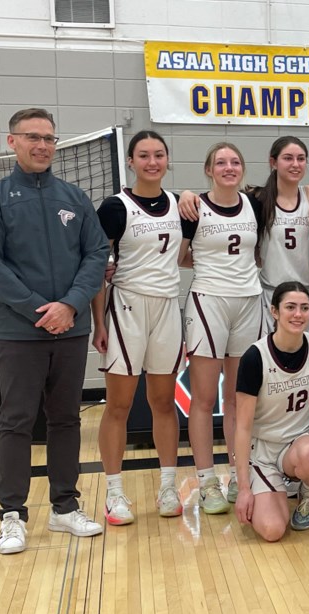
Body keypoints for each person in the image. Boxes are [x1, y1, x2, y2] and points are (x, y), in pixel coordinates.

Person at [0, 108, 109, 553]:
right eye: (33, 137)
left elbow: (95, 254)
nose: (42, 145)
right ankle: (13, 516)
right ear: (12, 141)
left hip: (70, 331)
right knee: (16, 422)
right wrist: (39, 310)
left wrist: (72, 305)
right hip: (19, 332)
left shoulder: (74, 198)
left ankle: (64, 507)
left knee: (65, 419)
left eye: (49, 138)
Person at [91, 131, 186, 525]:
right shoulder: (115, 206)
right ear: (130, 162)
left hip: (167, 308)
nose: (152, 161)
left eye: (159, 155)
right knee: (119, 405)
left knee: (164, 403)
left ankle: (168, 485)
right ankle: (114, 493)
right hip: (127, 306)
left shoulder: (183, 204)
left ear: (167, 160)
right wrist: (99, 322)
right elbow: (97, 266)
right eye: (144, 155)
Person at [180, 142, 264, 514]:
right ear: (208, 169)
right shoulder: (193, 207)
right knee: (203, 399)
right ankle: (206, 480)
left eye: (235, 161)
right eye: (221, 162)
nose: (229, 167)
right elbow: (181, 256)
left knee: (237, 398)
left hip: (249, 302)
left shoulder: (255, 205)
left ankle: (236, 471)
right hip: (209, 301)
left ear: (243, 169)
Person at [179, 136, 309, 335]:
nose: (295, 164)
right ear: (273, 162)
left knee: (307, 359)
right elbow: (219, 202)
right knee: (267, 361)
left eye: (301, 158)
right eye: (288, 158)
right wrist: (185, 193)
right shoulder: (257, 200)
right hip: (269, 294)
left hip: (308, 293)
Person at [233, 282, 309, 540]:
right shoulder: (254, 357)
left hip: (299, 442)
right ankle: (274, 487)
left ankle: (308, 492)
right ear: (274, 311)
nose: (298, 314)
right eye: (290, 307)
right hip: (264, 450)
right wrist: (244, 488)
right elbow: (243, 426)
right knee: (272, 531)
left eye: (304, 308)